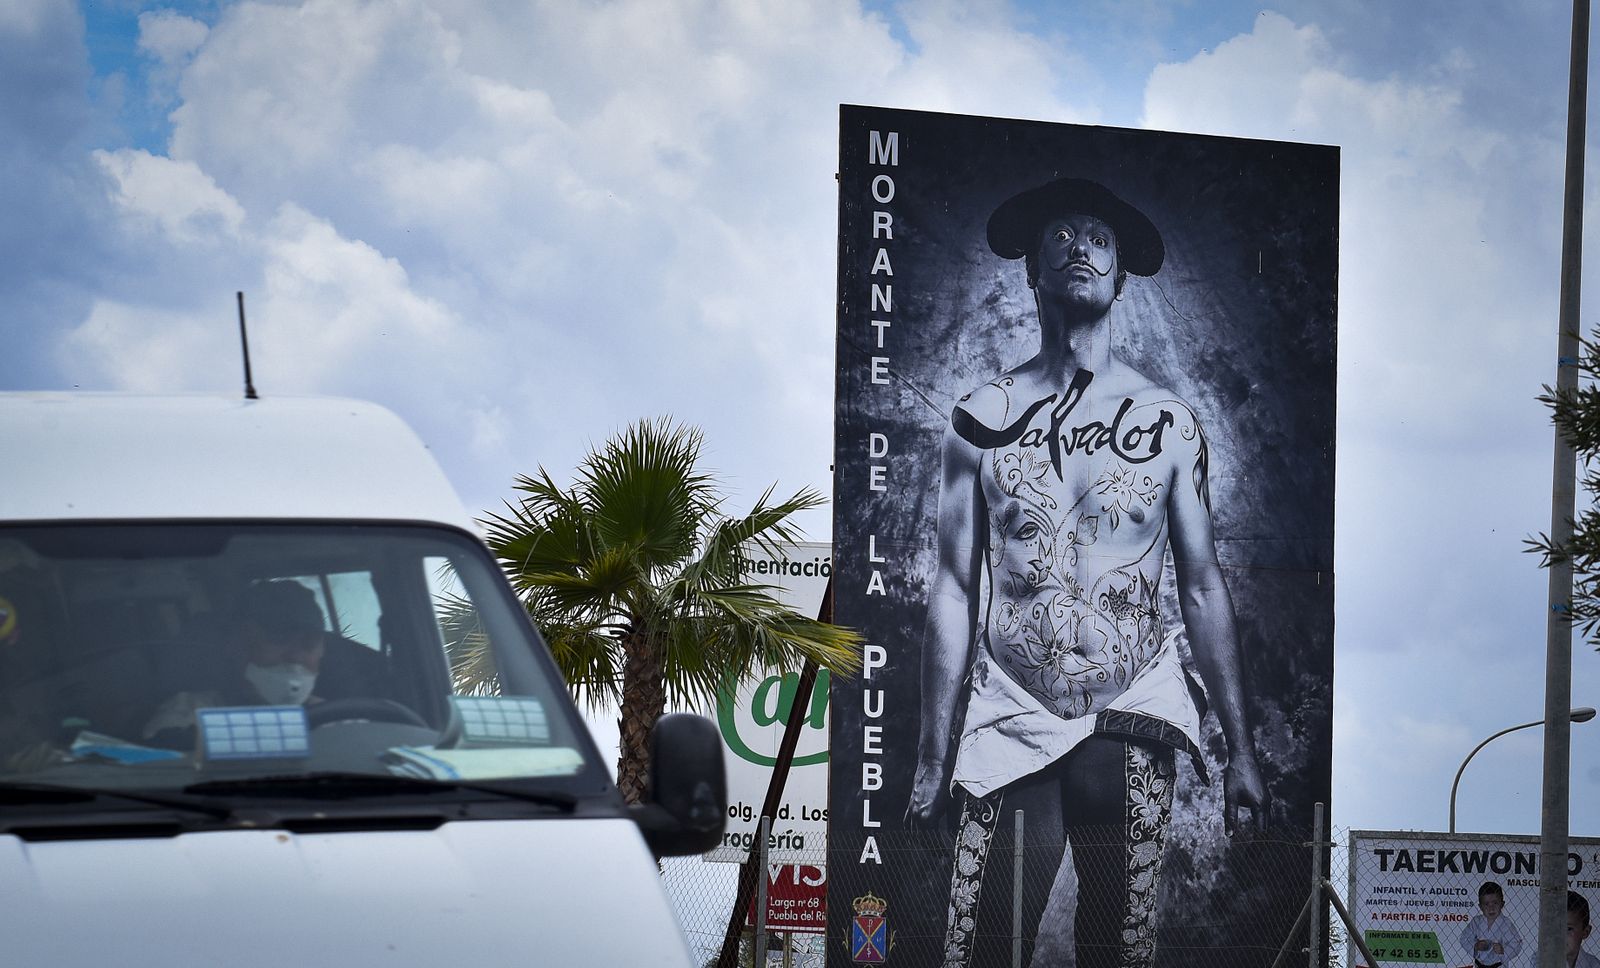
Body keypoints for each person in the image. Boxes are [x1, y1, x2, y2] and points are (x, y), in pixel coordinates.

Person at [903, 177, 1269, 968]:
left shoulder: (1169, 423)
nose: (1080, 248)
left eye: (1098, 239)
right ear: (1033, 269)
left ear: (1122, 277)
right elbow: (954, 589)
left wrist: (1240, 749)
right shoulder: (979, 419)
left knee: (1120, 946)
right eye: (1061, 236)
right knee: (986, 944)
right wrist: (935, 757)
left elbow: (1203, 585)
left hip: (1131, 712)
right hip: (1013, 715)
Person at [143, 579, 331, 741]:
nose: (296, 656)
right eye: (278, 639)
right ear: (234, 645)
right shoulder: (185, 718)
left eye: (309, 643)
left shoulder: (334, 717)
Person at [1460, 881, 1521, 968]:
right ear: (1480, 907)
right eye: (1486, 904)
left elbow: (1516, 943)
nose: (1491, 908)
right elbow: (1464, 939)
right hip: (1479, 965)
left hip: (1499, 965)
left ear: (1502, 904)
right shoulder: (1476, 922)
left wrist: (1503, 950)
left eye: (1495, 903)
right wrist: (1475, 946)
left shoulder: (1506, 923)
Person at [1572, 891, 1598, 968]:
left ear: (1585, 932)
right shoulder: (1537, 961)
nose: (1560, 935)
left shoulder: (1594, 965)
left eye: (1569, 929)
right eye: (1556, 929)